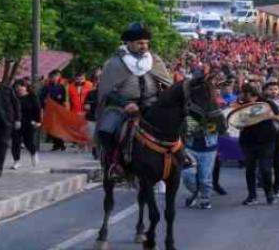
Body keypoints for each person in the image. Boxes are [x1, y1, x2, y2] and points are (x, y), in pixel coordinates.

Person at [96, 22, 174, 180]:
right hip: (123, 106)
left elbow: (167, 83)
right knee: (106, 130)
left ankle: (179, 157)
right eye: (140, 43)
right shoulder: (114, 63)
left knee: (175, 123)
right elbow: (108, 92)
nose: (144, 46)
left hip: (151, 104)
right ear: (129, 43)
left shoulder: (155, 61)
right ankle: (114, 164)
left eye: (146, 43)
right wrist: (125, 103)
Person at [238, 84, 279, 205]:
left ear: (249, 93)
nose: (242, 95)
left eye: (243, 93)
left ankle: (269, 194)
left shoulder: (267, 103)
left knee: (265, 169)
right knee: (249, 169)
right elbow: (236, 121)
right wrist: (239, 125)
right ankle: (252, 196)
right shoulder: (242, 104)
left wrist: (270, 116)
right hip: (248, 141)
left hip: (267, 140)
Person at [182, 87, 226, 210]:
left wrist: (206, 126)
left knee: (204, 178)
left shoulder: (215, 110)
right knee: (187, 174)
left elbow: (223, 128)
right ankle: (195, 192)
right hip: (190, 147)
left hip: (208, 149)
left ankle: (205, 198)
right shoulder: (187, 109)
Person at [264, 81, 279, 197]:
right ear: (265, 91)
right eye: (270, 89)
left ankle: (277, 188)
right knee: (266, 165)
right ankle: (268, 189)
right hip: (266, 137)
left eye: (275, 89)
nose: (273, 91)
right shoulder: (262, 103)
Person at [11, 79, 42, 169]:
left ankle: (33, 153)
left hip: (29, 122)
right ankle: (16, 161)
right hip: (16, 123)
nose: (19, 89)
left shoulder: (32, 97)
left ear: (26, 88)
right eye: (17, 87)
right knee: (15, 142)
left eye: (21, 87)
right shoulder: (14, 98)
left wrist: (38, 121)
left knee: (28, 142)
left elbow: (37, 110)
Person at [40, 69, 68, 151]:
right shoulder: (46, 87)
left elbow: (63, 99)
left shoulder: (61, 87)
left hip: (58, 109)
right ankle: (56, 144)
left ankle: (60, 144)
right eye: (53, 77)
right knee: (51, 128)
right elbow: (42, 98)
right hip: (49, 110)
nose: (55, 78)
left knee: (58, 127)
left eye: (56, 76)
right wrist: (44, 103)